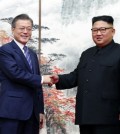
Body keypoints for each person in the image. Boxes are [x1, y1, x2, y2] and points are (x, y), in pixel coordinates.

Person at [49, 15, 120, 134]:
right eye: (95, 30)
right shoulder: (87, 54)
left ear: (112, 31)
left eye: (103, 29)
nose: (98, 33)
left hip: (110, 117)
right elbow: (76, 77)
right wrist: (58, 79)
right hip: (86, 115)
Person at [0, 14, 51, 134]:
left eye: (29, 29)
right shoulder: (4, 51)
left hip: (32, 115)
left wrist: (40, 110)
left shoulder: (32, 54)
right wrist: (43, 79)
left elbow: (37, 85)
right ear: (13, 30)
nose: (25, 32)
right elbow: (15, 74)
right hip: (12, 112)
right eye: (22, 28)